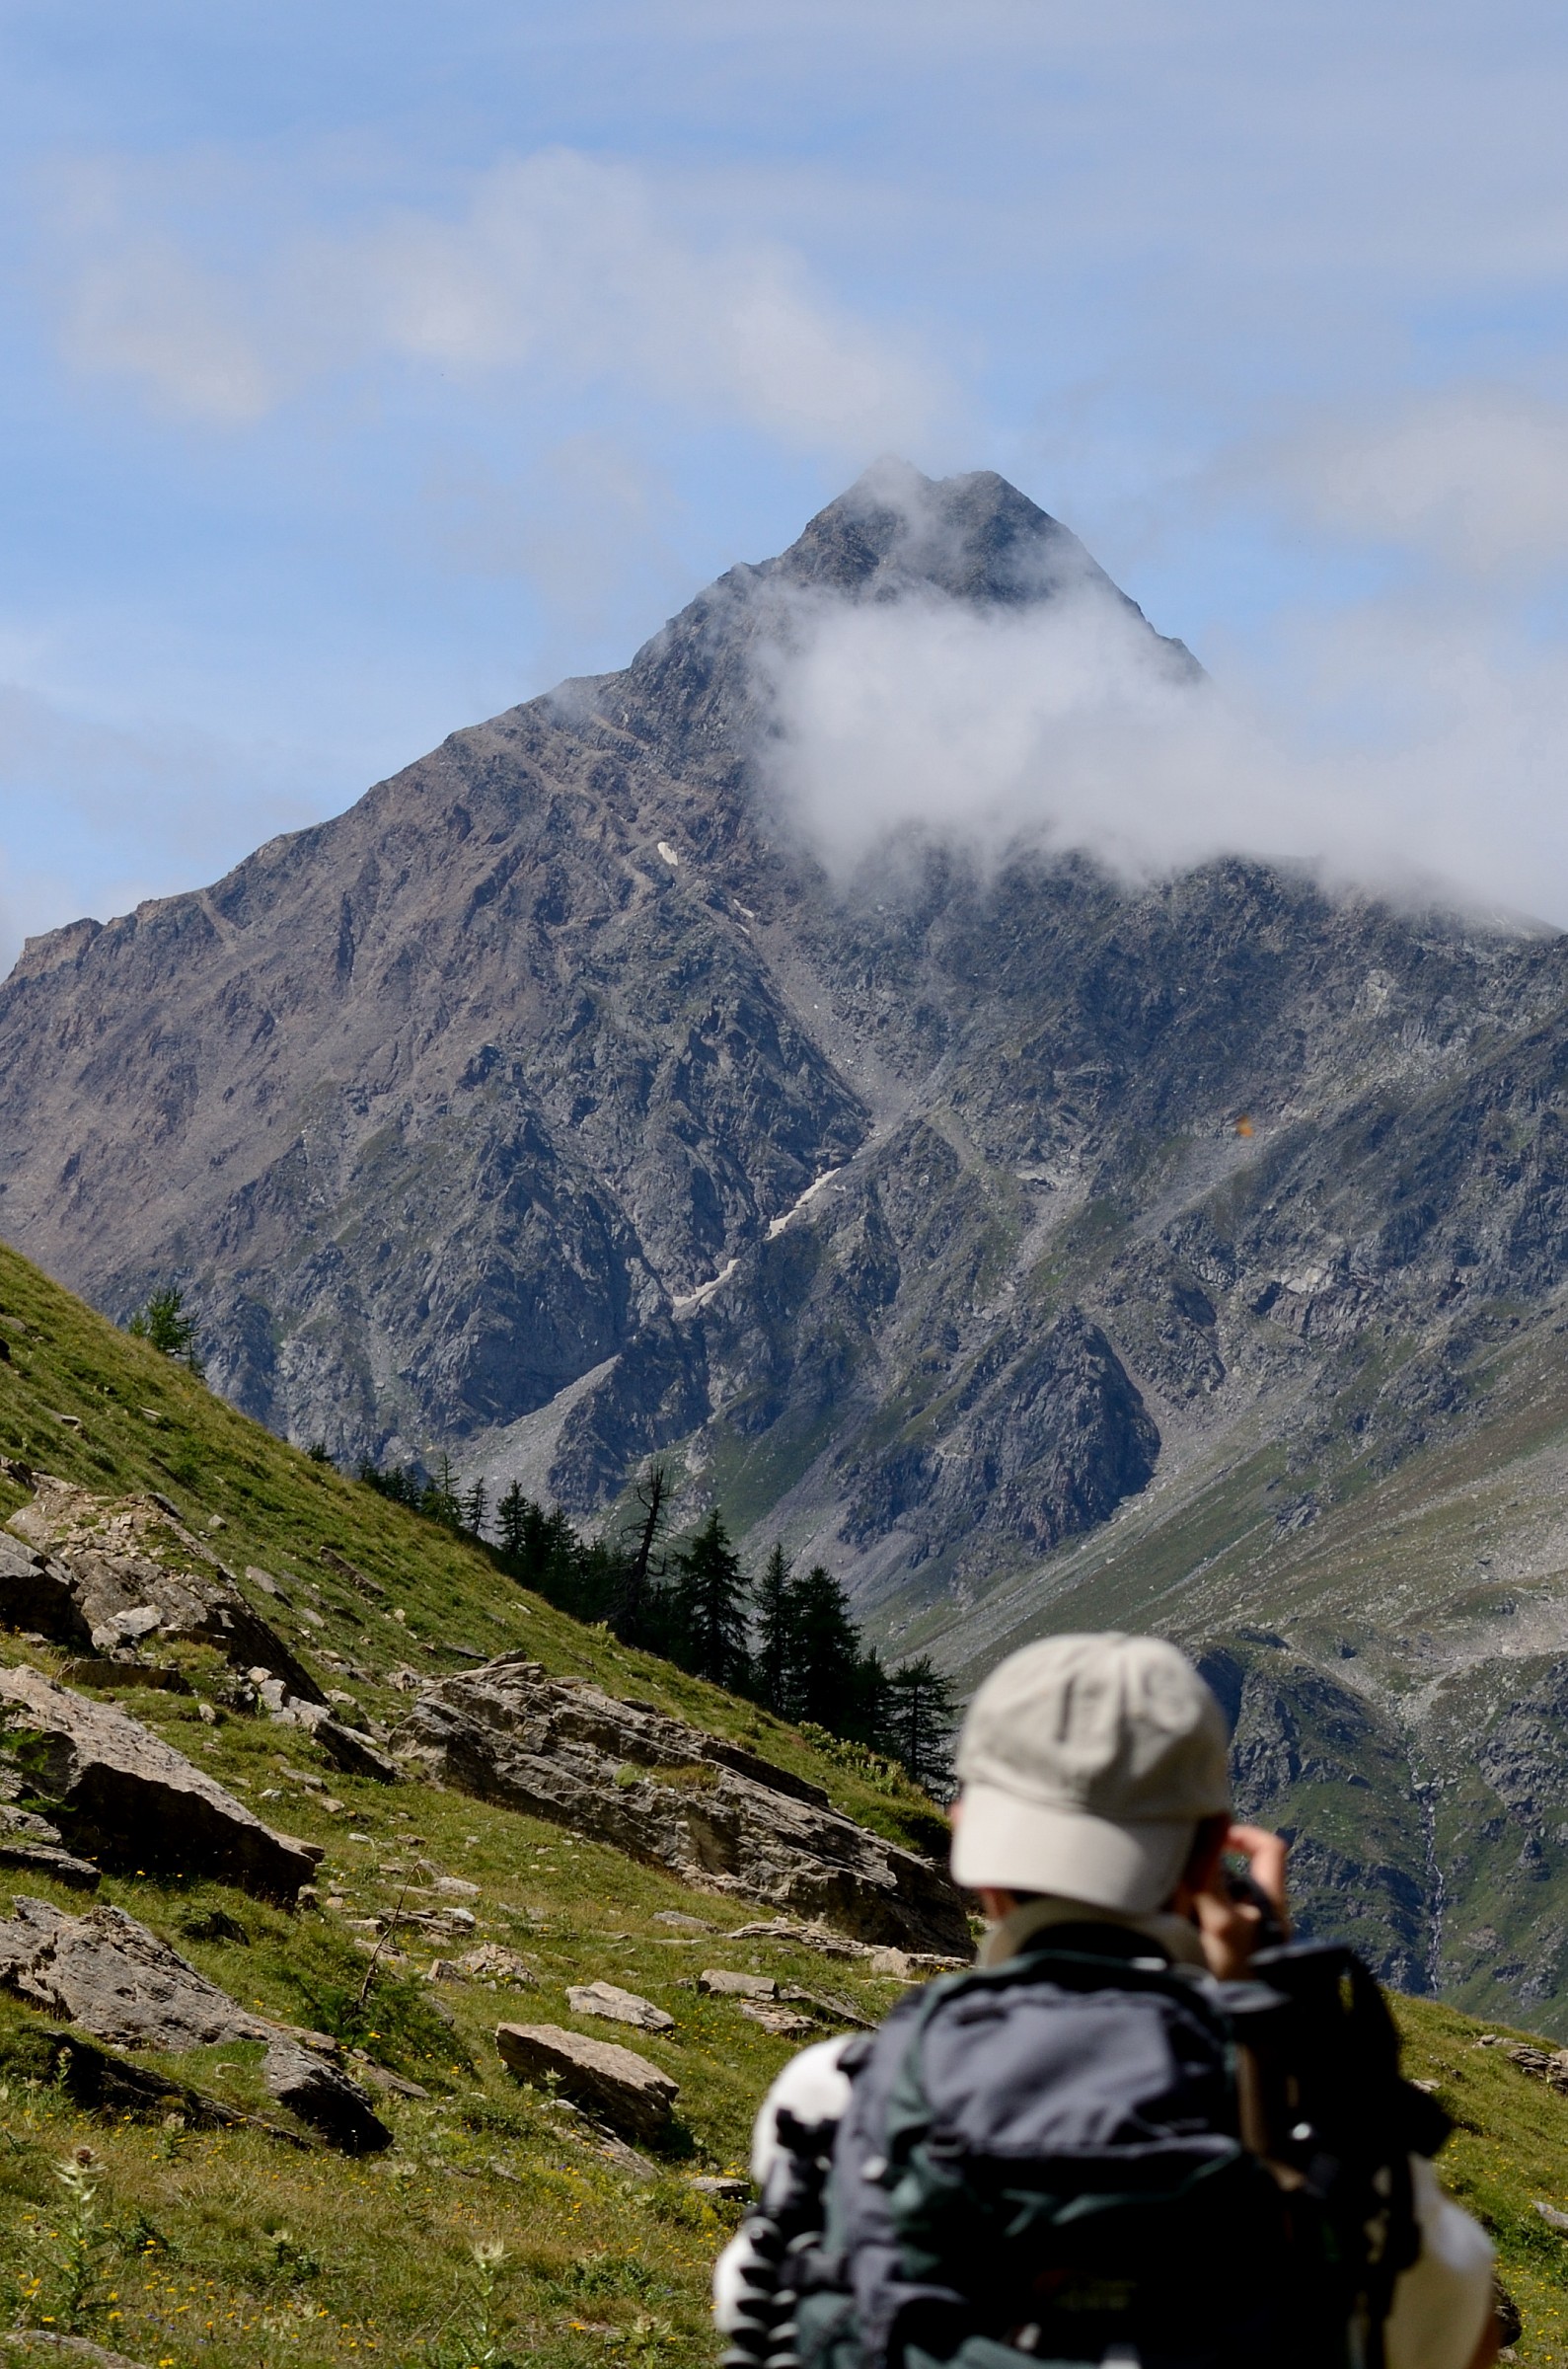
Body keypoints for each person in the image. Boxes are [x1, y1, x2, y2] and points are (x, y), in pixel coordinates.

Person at [715, 1633, 1498, 2369]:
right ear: (1211, 1853)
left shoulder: (838, 2092)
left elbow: (760, 2313)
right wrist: (1265, 2008)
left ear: (967, 1840)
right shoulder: (1317, 2138)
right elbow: (1463, 2338)